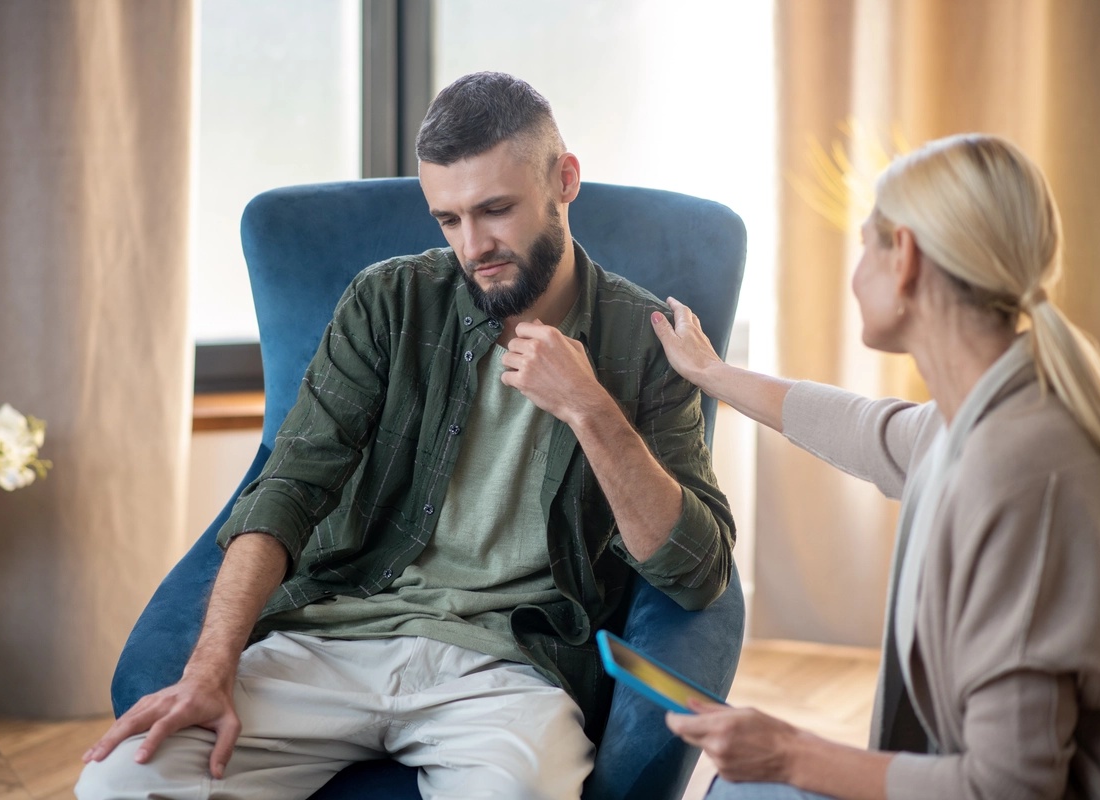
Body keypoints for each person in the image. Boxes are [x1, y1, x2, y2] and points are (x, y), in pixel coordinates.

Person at [76, 71, 734, 800]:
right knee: (118, 783)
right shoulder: (388, 301)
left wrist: (588, 408)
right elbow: (286, 488)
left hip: (510, 668)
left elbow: (694, 569)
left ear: (564, 180)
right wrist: (209, 669)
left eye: (495, 210)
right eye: (448, 219)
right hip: (335, 637)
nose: (472, 246)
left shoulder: (645, 342)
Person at [654, 134, 1100, 799]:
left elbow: (1010, 788)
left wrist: (789, 753)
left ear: (907, 259)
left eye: (866, 245)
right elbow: (866, 429)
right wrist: (713, 374)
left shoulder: (1023, 473)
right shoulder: (989, 408)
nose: (856, 269)